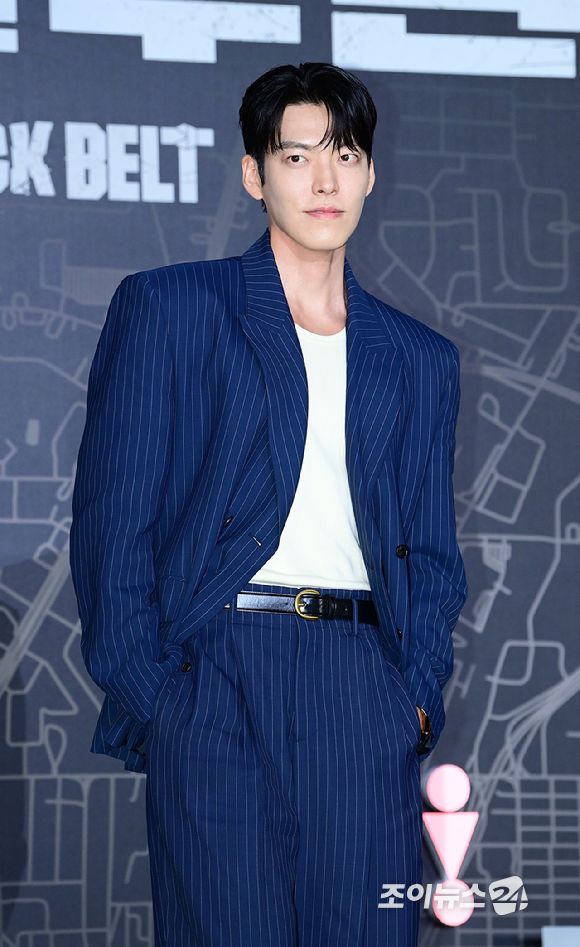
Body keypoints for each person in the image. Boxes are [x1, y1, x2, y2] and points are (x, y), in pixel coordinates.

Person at [69, 61, 468, 947]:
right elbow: (113, 522)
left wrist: (412, 697)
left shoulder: (420, 357)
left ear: (371, 172)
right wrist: (159, 697)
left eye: (345, 155)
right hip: (216, 673)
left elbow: (433, 553)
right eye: (297, 156)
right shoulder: (173, 308)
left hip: (362, 683)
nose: (325, 181)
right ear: (254, 174)